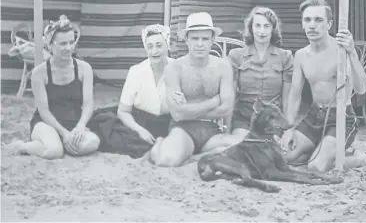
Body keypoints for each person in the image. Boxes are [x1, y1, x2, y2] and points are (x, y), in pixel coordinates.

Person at [279, 0, 366, 172]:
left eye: (318, 20)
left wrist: (352, 52)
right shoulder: (301, 55)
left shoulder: (341, 50)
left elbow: (361, 88)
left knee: (315, 167)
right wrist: (288, 128)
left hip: (341, 117)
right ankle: (322, 149)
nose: (312, 25)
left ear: (329, 24)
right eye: (307, 20)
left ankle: (356, 158)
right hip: (314, 116)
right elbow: (295, 94)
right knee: (284, 156)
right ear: (302, 24)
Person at [149, 12, 235, 167]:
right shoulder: (174, 68)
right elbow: (176, 114)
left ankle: (194, 156)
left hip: (213, 130)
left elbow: (227, 109)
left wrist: (187, 110)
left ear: (212, 40)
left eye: (205, 39)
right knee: (167, 161)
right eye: (195, 38)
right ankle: (160, 144)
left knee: (244, 149)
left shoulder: (223, 66)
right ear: (186, 40)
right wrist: (214, 102)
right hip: (184, 129)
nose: (200, 44)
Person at [16, 15, 100, 159]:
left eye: (71, 42)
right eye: (62, 44)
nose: (68, 48)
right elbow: (44, 111)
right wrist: (64, 133)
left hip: (73, 121)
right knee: (55, 152)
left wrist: (80, 126)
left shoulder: (84, 68)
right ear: (50, 45)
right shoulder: (39, 73)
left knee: (93, 141)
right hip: (46, 122)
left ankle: (56, 143)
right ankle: (23, 146)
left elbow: (88, 103)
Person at [88, 24, 174, 159]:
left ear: (168, 46)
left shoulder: (178, 68)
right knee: (120, 140)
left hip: (169, 123)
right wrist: (140, 130)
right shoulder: (136, 71)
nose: (154, 51)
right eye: (150, 46)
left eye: (159, 45)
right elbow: (123, 111)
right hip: (141, 122)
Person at [228, 6, 294, 140]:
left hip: (272, 117)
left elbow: (287, 98)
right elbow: (230, 95)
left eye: (266, 26)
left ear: (273, 29)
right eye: (257, 26)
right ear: (251, 28)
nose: (262, 31)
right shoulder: (236, 56)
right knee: (242, 144)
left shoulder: (285, 57)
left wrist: (288, 129)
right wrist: (227, 129)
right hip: (244, 115)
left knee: (267, 148)